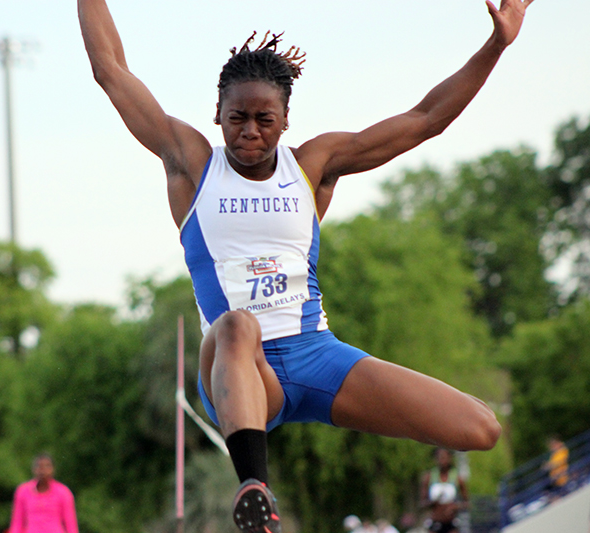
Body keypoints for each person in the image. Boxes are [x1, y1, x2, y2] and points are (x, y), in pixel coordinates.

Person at [78, 0, 531, 531]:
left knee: (480, 429)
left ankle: (259, 486)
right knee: (238, 324)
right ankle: (255, 493)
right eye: (237, 118)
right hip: (238, 369)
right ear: (217, 114)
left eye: (264, 120)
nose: (250, 132)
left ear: (285, 119)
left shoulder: (314, 165)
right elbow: (110, 69)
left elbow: (425, 119)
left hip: (317, 357)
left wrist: (497, 45)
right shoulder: (192, 162)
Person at [8, 453, 79, 533]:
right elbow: (17, 523)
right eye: (39, 466)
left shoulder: (63, 492)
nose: (43, 470)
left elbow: (71, 524)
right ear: (33, 469)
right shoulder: (23, 491)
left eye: (47, 466)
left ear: (53, 469)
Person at [419, 448, 468, 533]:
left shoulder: (457, 478)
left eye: (445, 457)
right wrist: (432, 503)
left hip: (451, 523)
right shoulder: (428, 477)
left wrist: (455, 507)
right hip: (435, 521)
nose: (442, 461)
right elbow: (422, 503)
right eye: (440, 458)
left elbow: (467, 504)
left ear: (450, 458)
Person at [542, 435, 569, 500]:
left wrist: (549, 465)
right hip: (555, 480)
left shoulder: (563, 450)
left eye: (553, 445)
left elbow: (559, 463)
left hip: (561, 479)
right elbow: (551, 465)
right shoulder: (554, 454)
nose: (551, 448)